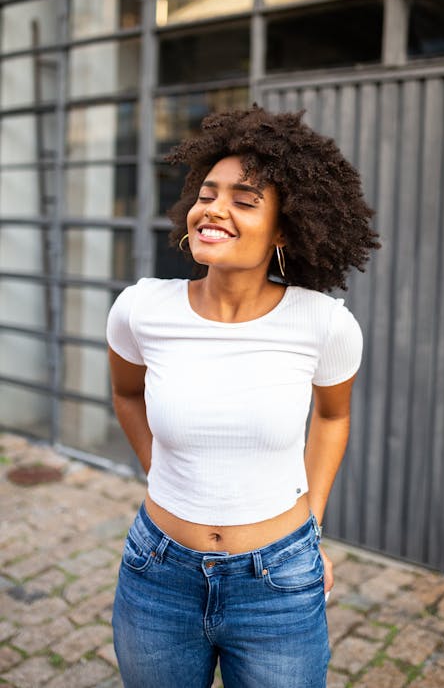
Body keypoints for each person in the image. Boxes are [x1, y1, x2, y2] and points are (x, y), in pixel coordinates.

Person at [106, 105, 379, 688]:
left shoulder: (323, 323)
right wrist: (166, 471)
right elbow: (126, 395)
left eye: (245, 199)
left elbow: (333, 417)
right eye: (208, 193)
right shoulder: (141, 309)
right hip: (157, 575)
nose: (215, 209)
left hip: (277, 582)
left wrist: (310, 533)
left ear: (284, 229)